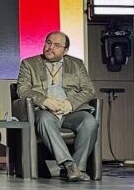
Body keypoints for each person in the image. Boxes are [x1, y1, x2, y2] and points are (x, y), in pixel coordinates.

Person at [17, 31, 98, 182]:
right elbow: (22, 90)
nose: (50, 48)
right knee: (44, 120)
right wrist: (45, 101)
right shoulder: (29, 64)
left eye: (57, 45)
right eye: (48, 43)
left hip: (71, 112)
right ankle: (69, 166)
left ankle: (78, 168)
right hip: (45, 111)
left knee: (90, 122)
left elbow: (89, 90)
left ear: (65, 50)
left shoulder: (77, 64)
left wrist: (71, 104)